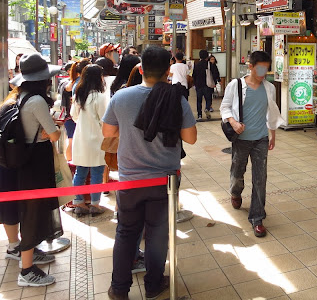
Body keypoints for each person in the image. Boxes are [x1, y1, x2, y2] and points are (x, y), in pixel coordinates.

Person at [103, 46, 197, 300]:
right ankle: (154, 285)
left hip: (130, 179)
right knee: (157, 235)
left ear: (141, 69)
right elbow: (190, 138)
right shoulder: (176, 98)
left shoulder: (121, 97)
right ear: (168, 71)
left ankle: (119, 289)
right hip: (164, 181)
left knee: (126, 232)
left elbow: (108, 133)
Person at [3, 53, 63, 287]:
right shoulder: (37, 101)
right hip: (35, 162)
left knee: (28, 212)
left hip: (22, 162)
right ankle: (26, 271)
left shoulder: (18, 96)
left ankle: (26, 257)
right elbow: (54, 134)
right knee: (32, 214)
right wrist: (51, 131)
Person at [220, 51, 283, 237]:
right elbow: (224, 107)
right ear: (250, 66)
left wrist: (272, 134)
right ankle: (235, 192)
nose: (263, 72)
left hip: (261, 139)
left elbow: (271, 112)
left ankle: (257, 218)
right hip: (241, 139)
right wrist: (233, 122)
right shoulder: (236, 85)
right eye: (260, 68)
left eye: (266, 68)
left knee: (260, 178)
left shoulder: (269, 88)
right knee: (237, 172)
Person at [71, 65, 108, 216]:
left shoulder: (79, 95)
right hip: (97, 140)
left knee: (80, 172)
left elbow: (74, 116)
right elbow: (104, 120)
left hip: (80, 138)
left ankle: (78, 202)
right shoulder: (100, 97)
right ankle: (95, 204)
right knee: (97, 173)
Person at [192, 50, 212, 120]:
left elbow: (193, 75)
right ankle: (207, 108)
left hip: (198, 85)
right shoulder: (209, 64)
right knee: (208, 99)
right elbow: (214, 73)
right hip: (207, 84)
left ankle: (199, 115)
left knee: (199, 100)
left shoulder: (197, 65)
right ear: (207, 56)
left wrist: (194, 83)